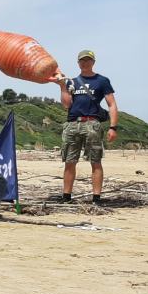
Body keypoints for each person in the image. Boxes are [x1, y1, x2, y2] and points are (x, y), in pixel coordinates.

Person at [57, 50, 118, 204]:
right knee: (69, 162)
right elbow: (66, 104)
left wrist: (113, 127)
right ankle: (66, 197)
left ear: (93, 62)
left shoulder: (102, 80)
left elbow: (112, 104)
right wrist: (62, 86)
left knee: (95, 161)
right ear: (78, 63)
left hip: (92, 124)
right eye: (82, 60)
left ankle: (96, 198)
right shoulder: (71, 81)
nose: (85, 63)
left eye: (88, 60)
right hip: (72, 124)